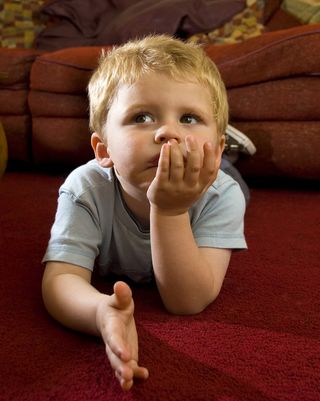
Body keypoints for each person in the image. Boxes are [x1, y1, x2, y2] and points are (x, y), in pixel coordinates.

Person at [42, 35, 248, 391]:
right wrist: (98, 311)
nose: (167, 131)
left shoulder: (221, 197)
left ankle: (229, 151)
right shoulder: (84, 190)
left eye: (188, 117)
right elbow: (60, 280)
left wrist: (170, 210)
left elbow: (187, 301)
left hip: (218, 175)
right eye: (142, 116)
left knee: (236, 180)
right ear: (103, 148)